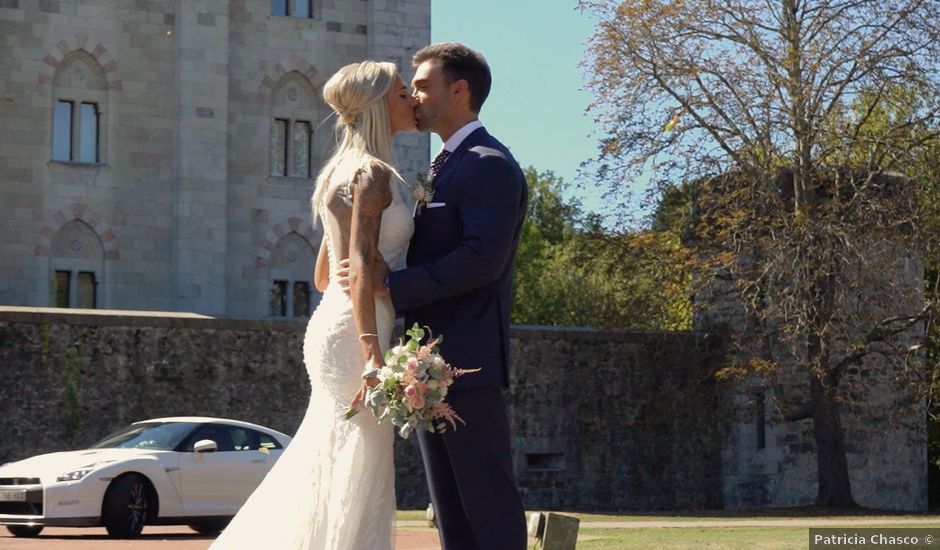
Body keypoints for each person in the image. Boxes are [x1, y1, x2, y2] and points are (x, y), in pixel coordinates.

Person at [209, 60, 417, 549]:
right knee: (358, 460)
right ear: (379, 105)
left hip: (332, 323)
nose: (411, 100)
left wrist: (359, 274)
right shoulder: (372, 174)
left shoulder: (337, 173)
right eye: (402, 93)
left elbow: (325, 275)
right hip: (358, 333)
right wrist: (372, 355)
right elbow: (361, 264)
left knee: (329, 452)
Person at [347, 42, 529, 550]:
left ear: (460, 89)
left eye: (423, 86)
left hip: (467, 366)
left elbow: (481, 259)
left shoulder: (488, 163)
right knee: (452, 512)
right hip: (425, 365)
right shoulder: (445, 165)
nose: (415, 97)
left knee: (487, 505)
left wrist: (394, 285)